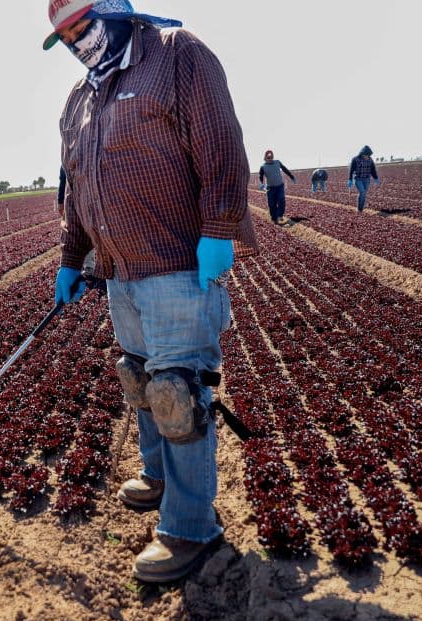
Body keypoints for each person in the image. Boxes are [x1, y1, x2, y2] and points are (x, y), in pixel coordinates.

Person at [46, 0, 256, 583]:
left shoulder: (176, 55)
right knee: (138, 378)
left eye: (81, 28)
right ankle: (159, 475)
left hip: (176, 265)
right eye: (63, 37)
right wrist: (71, 258)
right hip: (120, 272)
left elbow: (220, 144)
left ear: (116, 14)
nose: (74, 43)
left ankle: (190, 528)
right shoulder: (80, 100)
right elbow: (76, 186)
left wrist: (218, 229)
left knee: (177, 392)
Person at [258, 150, 297, 224]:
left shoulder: (277, 162)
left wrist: (291, 176)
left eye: (271, 156)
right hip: (270, 188)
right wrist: (261, 183)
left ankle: (280, 215)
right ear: (265, 158)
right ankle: (274, 218)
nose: (270, 158)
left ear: (273, 157)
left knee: (281, 200)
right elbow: (260, 176)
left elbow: (284, 169)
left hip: (280, 186)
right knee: (272, 204)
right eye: (268, 157)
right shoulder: (263, 167)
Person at [347, 145, 381, 212]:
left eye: (368, 155)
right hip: (358, 179)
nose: (367, 157)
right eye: (366, 155)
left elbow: (373, 170)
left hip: (367, 179)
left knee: (364, 193)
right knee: (362, 192)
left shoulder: (370, 160)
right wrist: (350, 179)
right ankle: (359, 209)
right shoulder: (355, 159)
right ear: (362, 154)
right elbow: (351, 170)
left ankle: (361, 208)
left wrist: (376, 178)